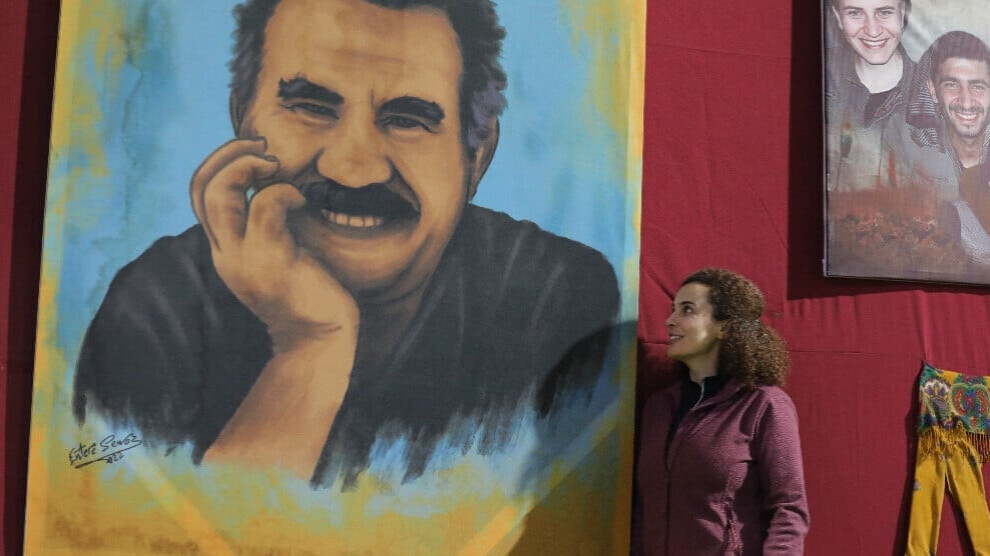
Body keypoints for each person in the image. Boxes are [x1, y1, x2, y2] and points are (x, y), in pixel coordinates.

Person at [72, 0, 618, 487]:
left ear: (476, 157)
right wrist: (310, 344)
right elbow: (131, 515)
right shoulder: (156, 307)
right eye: (312, 108)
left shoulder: (558, 297)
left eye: (407, 119)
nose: (353, 169)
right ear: (242, 121)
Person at [635, 268, 809, 555]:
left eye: (687, 309)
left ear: (724, 328)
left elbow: (789, 508)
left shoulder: (763, 405)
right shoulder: (658, 408)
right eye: (673, 309)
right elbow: (643, 508)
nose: (670, 320)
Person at [908, 31, 990, 266]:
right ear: (933, 91)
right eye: (952, 85)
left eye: (978, 86)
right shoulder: (912, 156)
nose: (966, 102)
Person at [826, 0, 917, 192]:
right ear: (838, 17)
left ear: (903, 13)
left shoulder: (933, 95)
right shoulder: (820, 74)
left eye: (884, 12)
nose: (873, 31)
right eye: (855, 13)